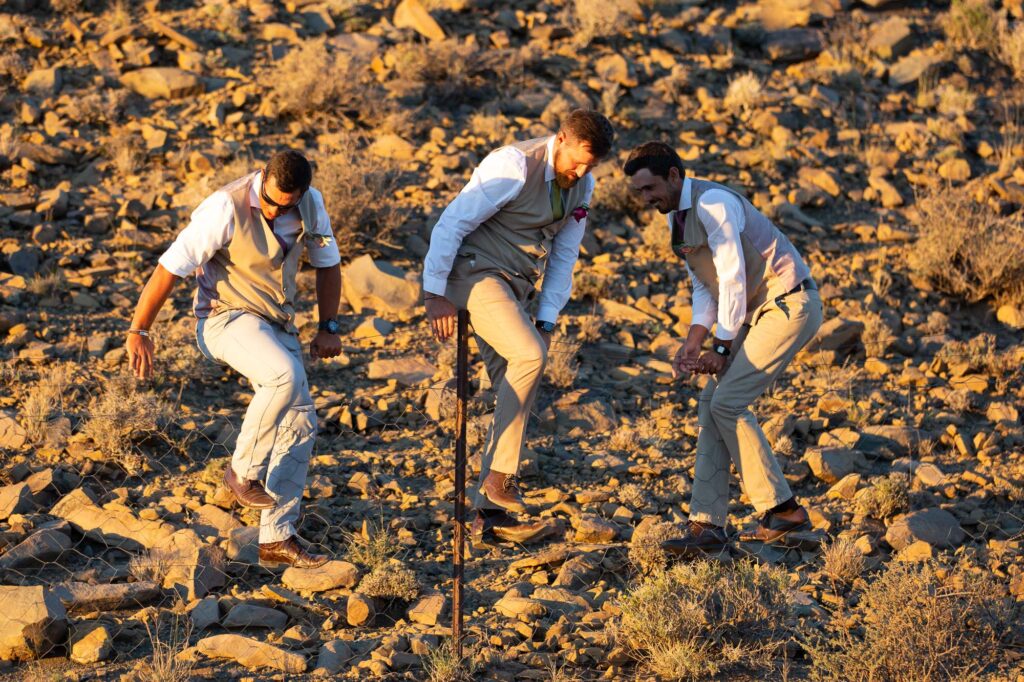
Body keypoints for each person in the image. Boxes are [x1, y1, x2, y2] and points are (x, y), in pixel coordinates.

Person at [125, 150, 343, 568]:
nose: (277, 210)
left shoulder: (312, 205)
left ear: (303, 193)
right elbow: (169, 268)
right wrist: (140, 330)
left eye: (288, 205)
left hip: (277, 321)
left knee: (300, 421)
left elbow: (328, 263)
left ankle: (276, 538)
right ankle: (242, 472)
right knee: (283, 376)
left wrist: (328, 326)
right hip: (224, 318)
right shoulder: (225, 206)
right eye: (272, 201)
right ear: (262, 177)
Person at [422, 110, 615, 546]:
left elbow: (565, 254)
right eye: (577, 161)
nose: (580, 172)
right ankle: (500, 478)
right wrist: (434, 293)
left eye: (591, 166)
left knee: (517, 386)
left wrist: (546, 319)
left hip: (516, 288)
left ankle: (490, 516)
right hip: (475, 273)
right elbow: (453, 221)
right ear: (561, 139)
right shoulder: (512, 165)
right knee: (529, 356)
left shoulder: (584, 186)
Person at [624, 141, 823, 558]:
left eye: (650, 188)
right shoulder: (676, 217)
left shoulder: (713, 204)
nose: (645, 199)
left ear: (674, 175)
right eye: (639, 191)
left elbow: (733, 278)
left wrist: (721, 345)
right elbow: (706, 284)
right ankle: (707, 525)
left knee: (728, 403)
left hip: (788, 304)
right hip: (755, 312)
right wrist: (693, 342)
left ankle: (783, 512)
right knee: (710, 405)